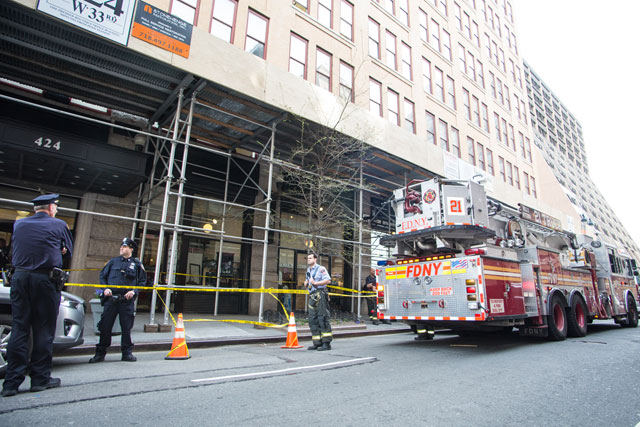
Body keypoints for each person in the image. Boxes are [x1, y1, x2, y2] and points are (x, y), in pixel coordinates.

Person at [2, 194, 73, 397]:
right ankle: (40, 379)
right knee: (43, 329)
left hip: (20, 278)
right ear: (51, 207)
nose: (56, 210)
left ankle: (11, 383)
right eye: (56, 207)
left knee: (19, 327)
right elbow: (68, 253)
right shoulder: (59, 224)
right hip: (44, 280)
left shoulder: (20, 225)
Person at [89, 237, 146, 363]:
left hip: (126, 300)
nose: (121, 248)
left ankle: (127, 353)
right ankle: (100, 353)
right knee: (105, 327)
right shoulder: (113, 262)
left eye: (124, 246)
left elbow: (142, 282)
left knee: (126, 328)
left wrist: (134, 291)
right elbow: (102, 276)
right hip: (111, 299)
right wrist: (105, 288)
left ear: (131, 249)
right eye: (121, 246)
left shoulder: (136, 264)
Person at [304, 253, 333, 351]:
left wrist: (315, 283)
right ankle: (317, 342)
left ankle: (326, 343)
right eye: (307, 258)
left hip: (320, 295)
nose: (308, 260)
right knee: (313, 319)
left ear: (315, 259)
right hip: (312, 296)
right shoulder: (308, 270)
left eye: (310, 258)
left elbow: (328, 280)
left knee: (323, 318)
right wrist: (306, 283)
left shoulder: (321, 269)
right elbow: (308, 281)